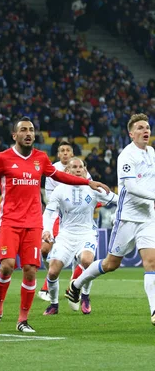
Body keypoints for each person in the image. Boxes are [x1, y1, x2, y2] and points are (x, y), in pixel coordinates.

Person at [0, 116, 110, 333]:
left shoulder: (41, 158)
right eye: (24, 130)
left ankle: (22, 320)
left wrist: (88, 181)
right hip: (9, 221)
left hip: (33, 223)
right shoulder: (3, 158)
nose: (29, 133)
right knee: (8, 265)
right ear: (14, 135)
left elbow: (61, 176)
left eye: (31, 130)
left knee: (30, 271)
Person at [66, 114, 155, 325]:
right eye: (141, 128)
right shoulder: (126, 156)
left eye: (148, 127)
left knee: (151, 262)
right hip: (127, 218)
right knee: (110, 264)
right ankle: (77, 285)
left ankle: (154, 311)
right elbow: (131, 187)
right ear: (131, 133)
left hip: (148, 218)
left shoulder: (151, 153)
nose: (146, 131)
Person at [41, 158, 117, 316]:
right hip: (65, 236)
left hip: (87, 234)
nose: (77, 169)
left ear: (85, 170)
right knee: (53, 272)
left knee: (87, 261)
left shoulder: (94, 188)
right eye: (73, 167)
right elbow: (49, 212)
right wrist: (47, 229)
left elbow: (118, 199)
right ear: (67, 171)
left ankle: (85, 296)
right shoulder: (60, 190)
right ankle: (54, 304)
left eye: (80, 167)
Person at [39, 141, 92, 301]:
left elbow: (89, 189)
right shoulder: (52, 171)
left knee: (82, 255)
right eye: (62, 150)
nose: (65, 153)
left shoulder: (79, 167)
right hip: (56, 213)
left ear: (72, 152)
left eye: (68, 150)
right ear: (58, 153)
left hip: (78, 215)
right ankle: (51, 278)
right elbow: (49, 198)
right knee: (45, 250)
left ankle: (67, 283)